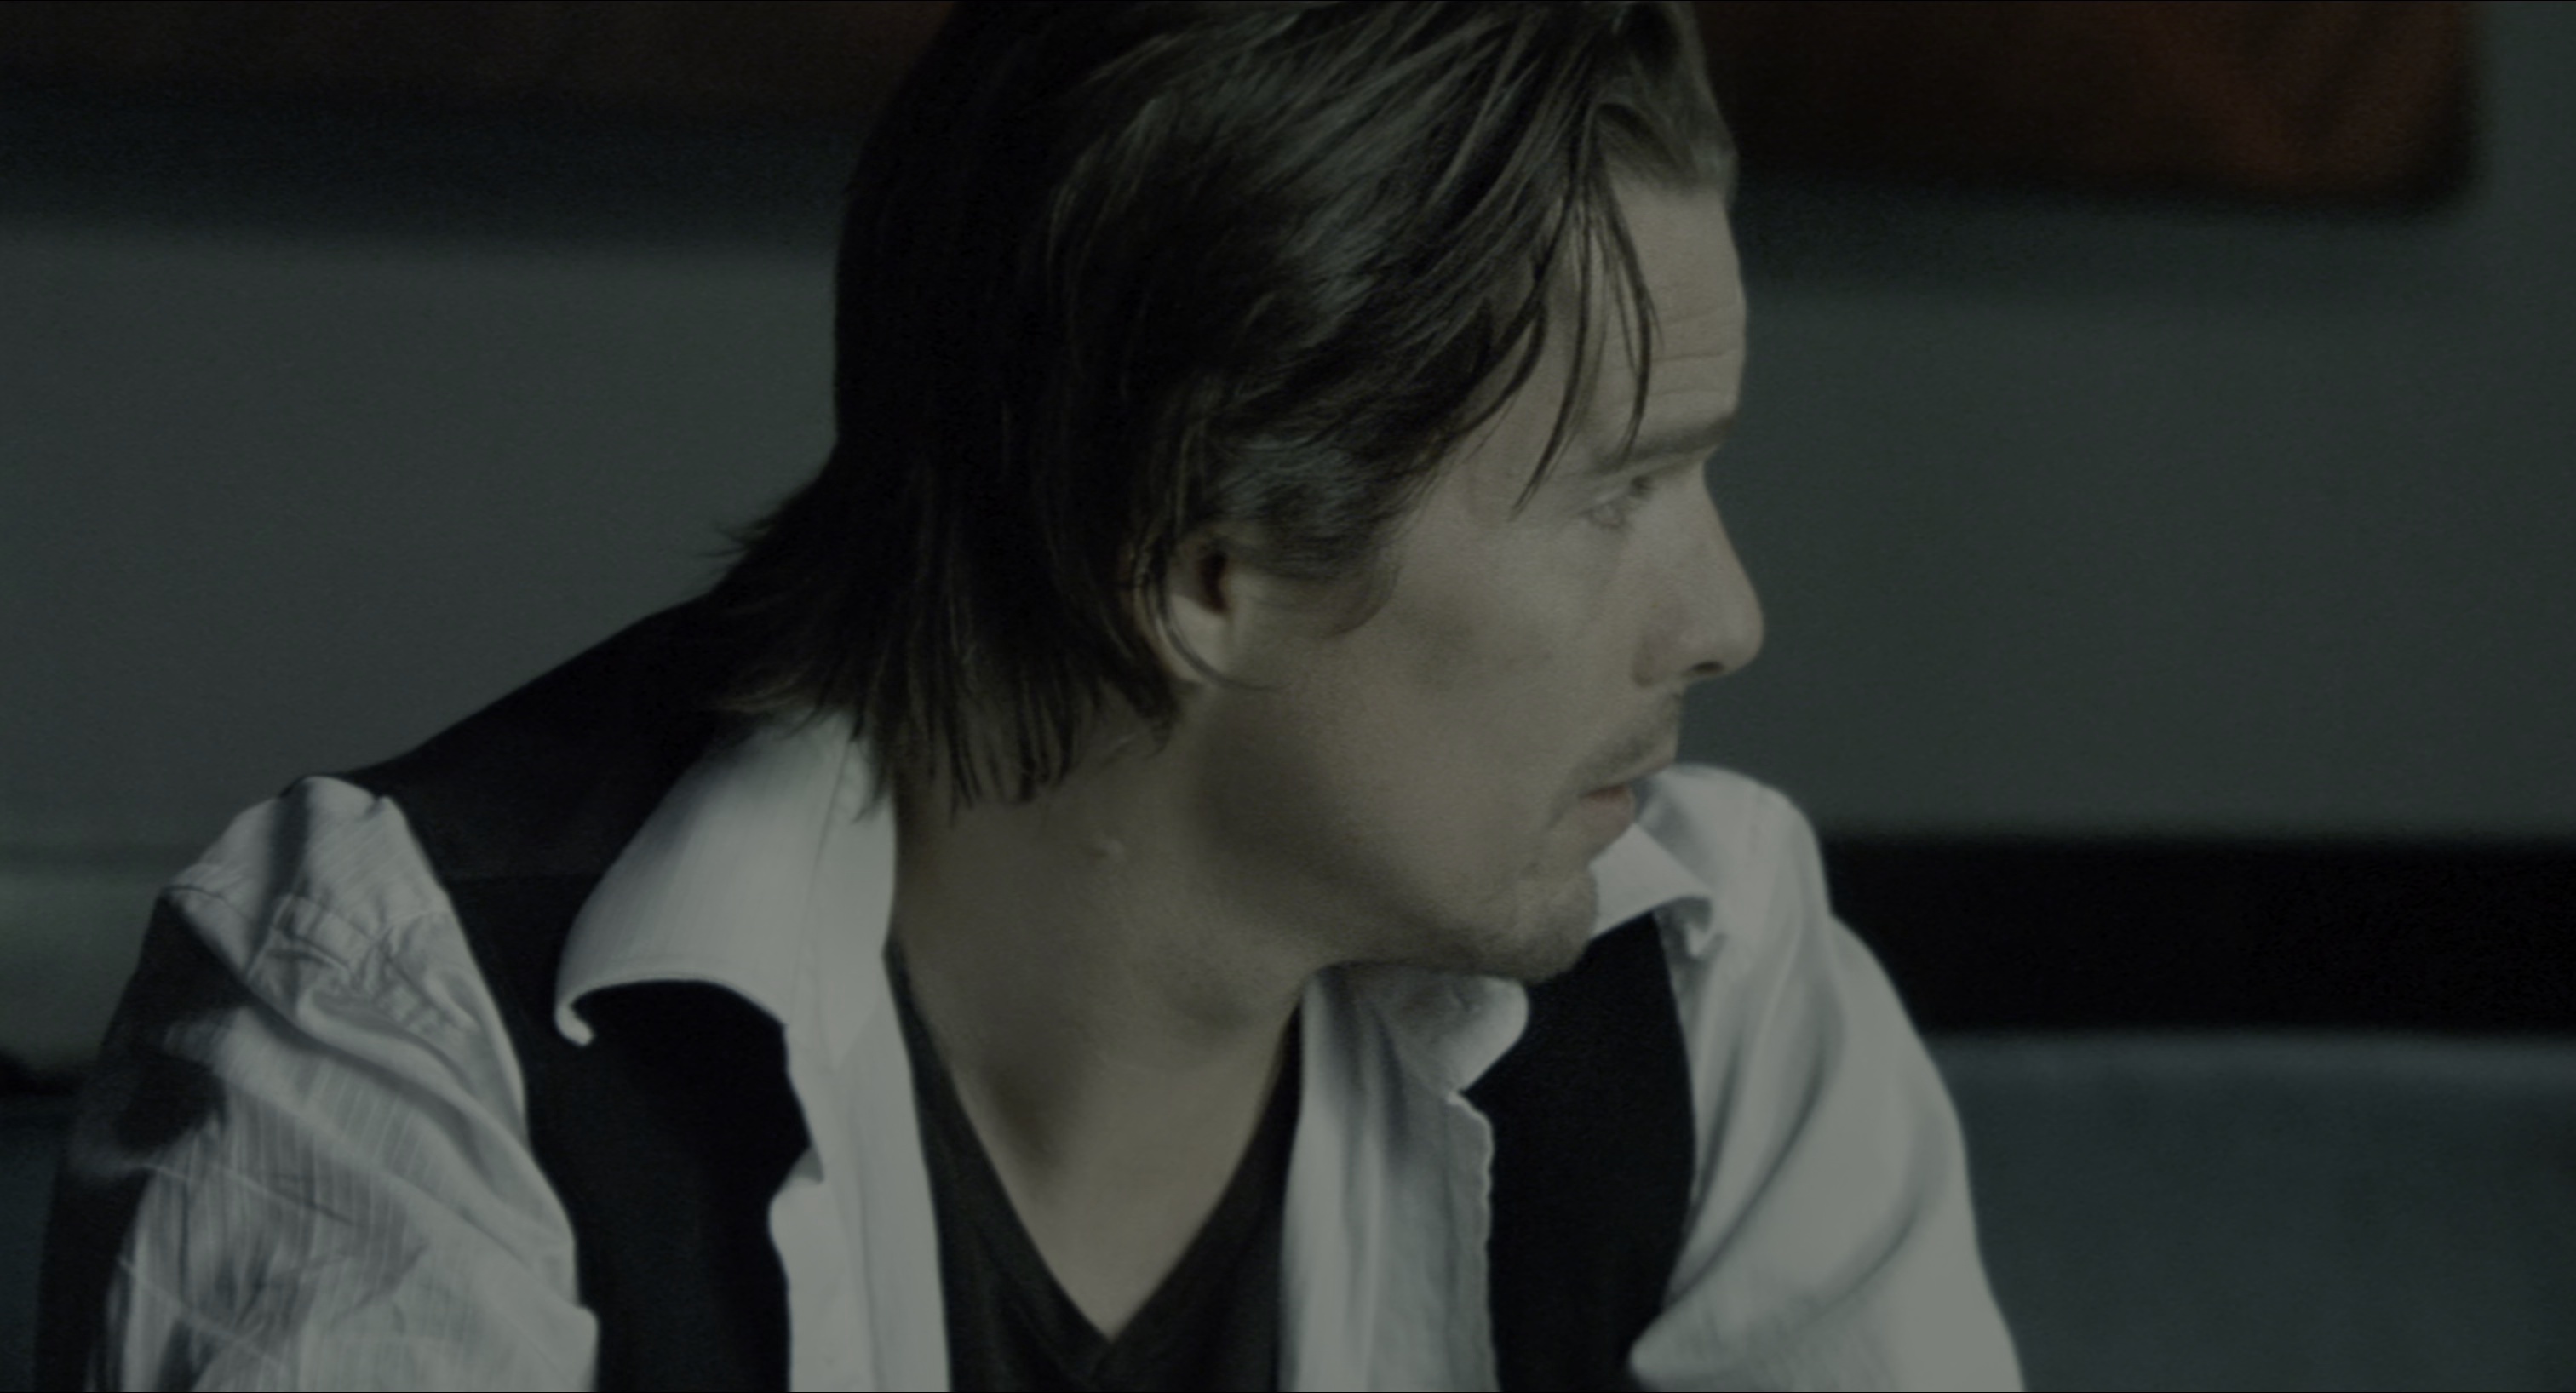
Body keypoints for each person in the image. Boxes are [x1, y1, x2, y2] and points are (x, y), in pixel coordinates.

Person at [41, 3, 2022, 1388]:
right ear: (1202, 559)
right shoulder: (400, 1010)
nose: (1727, 616)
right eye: (1615, 491)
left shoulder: (1710, 977)